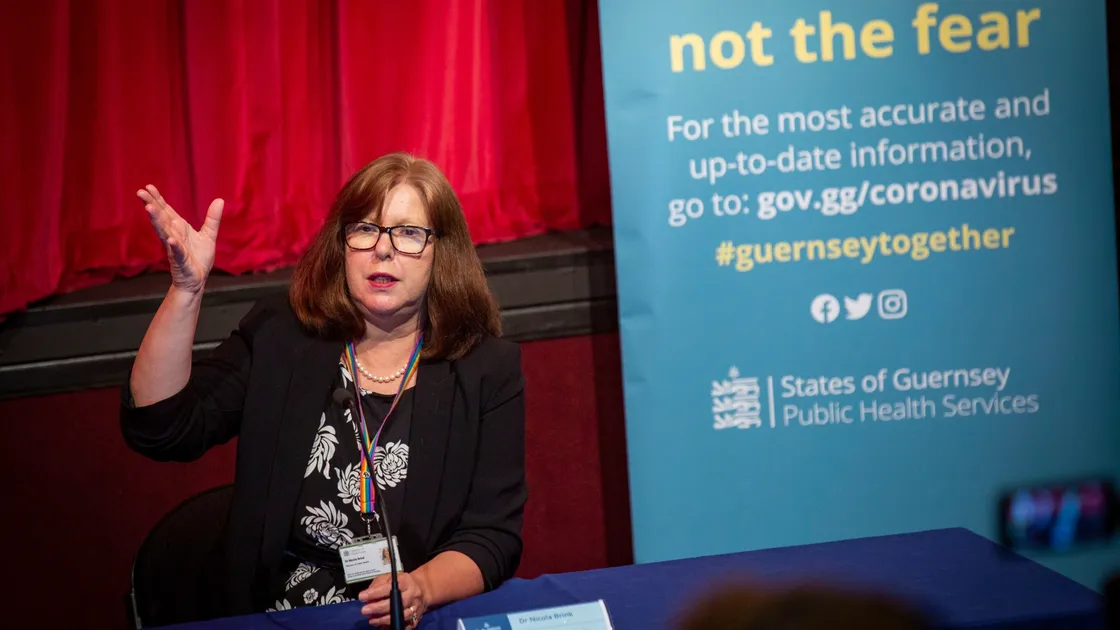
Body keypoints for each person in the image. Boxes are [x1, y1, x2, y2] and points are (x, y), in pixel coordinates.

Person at [120, 152, 528, 627]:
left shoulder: (485, 369)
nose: (383, 249)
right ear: (342, 244)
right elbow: (164, 426)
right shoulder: (283, 336)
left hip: (410, 613)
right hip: (280, 611)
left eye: (408, 233)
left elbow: (492, 535)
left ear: (443, 250)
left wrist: (422, 588)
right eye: (365, 229)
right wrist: (186, 292)